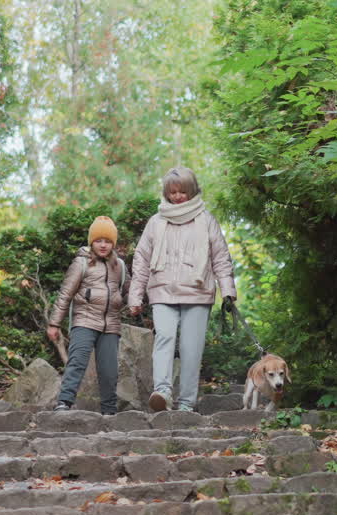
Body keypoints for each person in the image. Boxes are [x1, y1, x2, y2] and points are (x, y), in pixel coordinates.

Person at [129, 167, 236, 412]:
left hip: (198, 292)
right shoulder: (156, 221)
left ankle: (187, 402)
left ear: (193, 191)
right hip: (162, 290)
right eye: (172, 192)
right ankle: (163, 392)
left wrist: (228, 290)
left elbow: (220, 257)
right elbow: (142, 260)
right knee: (164, 338)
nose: (177, 197)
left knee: (191, 347)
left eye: (182, 191)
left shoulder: (207, 220)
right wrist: (135, 295)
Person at [47, 216, 127, 414]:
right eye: (99, 240)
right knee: (77, 362)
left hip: (111, 324)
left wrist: (135, 303)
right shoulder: (81, 263)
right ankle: (64, 402)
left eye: (107, 241)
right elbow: (65, 294)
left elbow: (130, 290)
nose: (103, 245)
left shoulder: (120, 266)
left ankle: (109, 411)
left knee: (109, 371)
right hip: (84, 320)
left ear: (113, 244)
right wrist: (54, 323)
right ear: (92, 241)